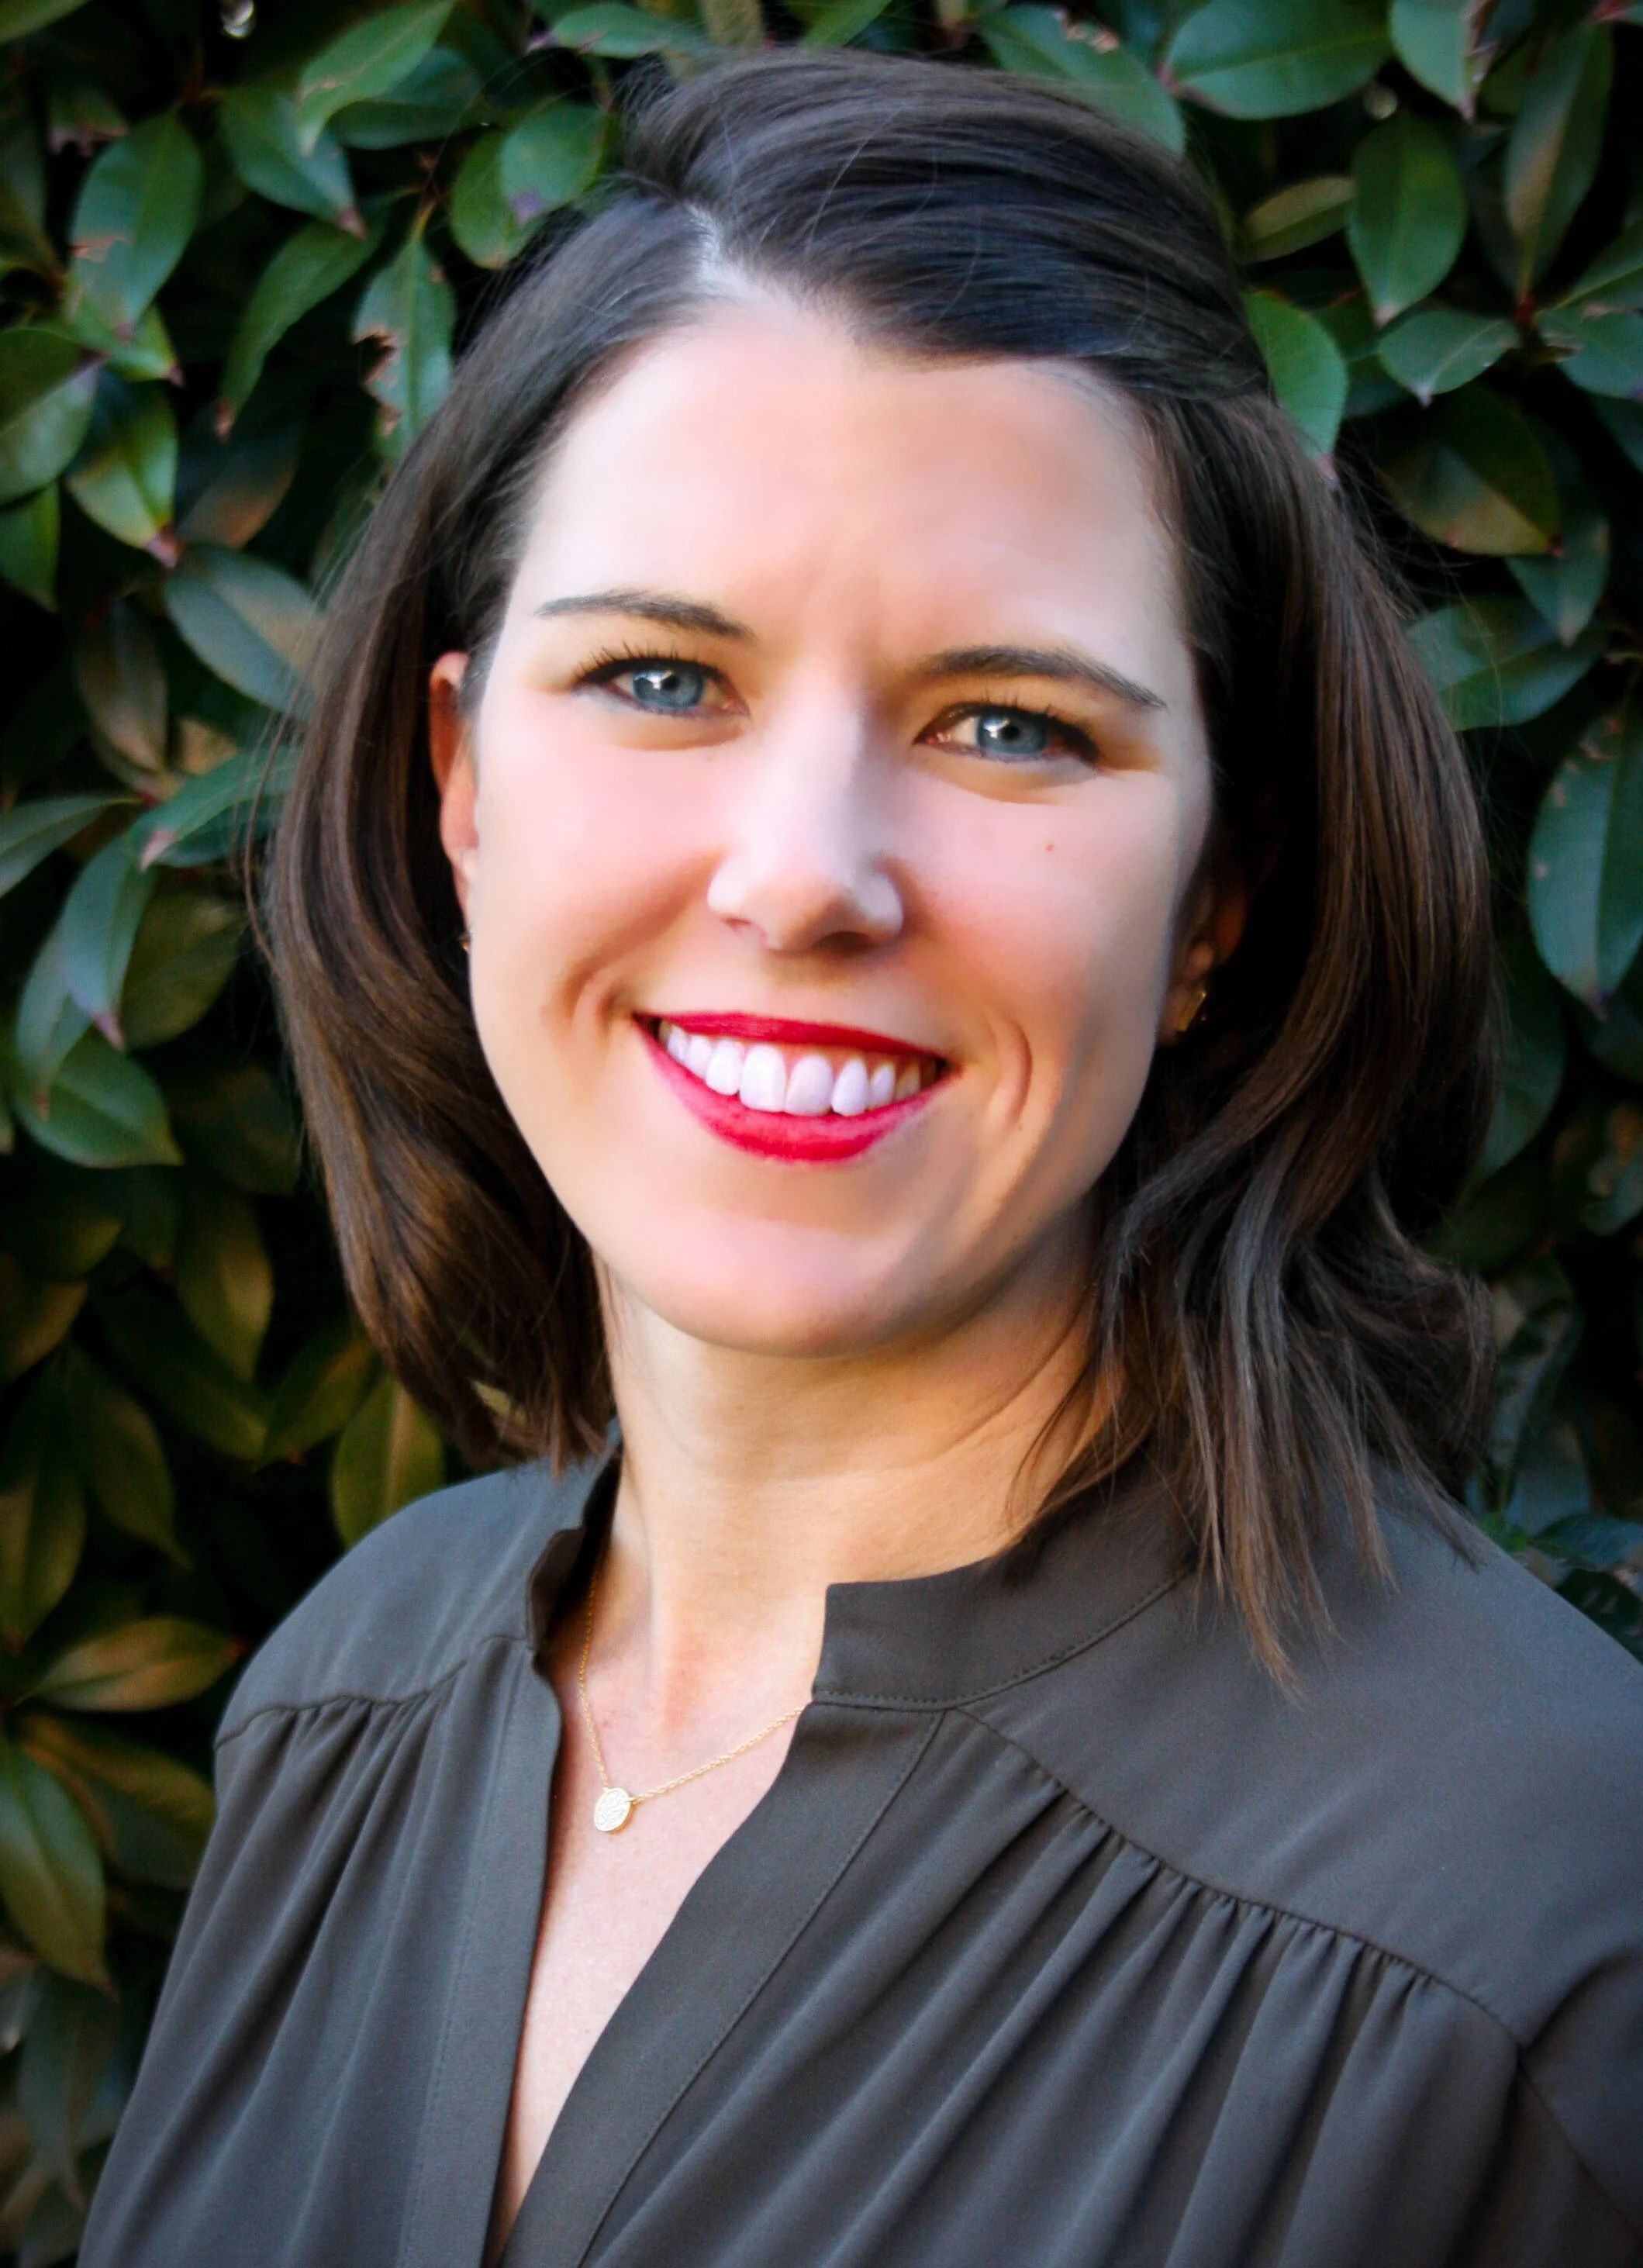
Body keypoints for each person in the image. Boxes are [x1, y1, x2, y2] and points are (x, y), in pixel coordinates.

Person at [80, 50, 1643, 2268]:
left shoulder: (1544, 1945)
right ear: (458, 777)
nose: (804, 874)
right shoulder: (352, 1697)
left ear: (1217, 885)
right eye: (656, 680)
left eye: (1008, 724)